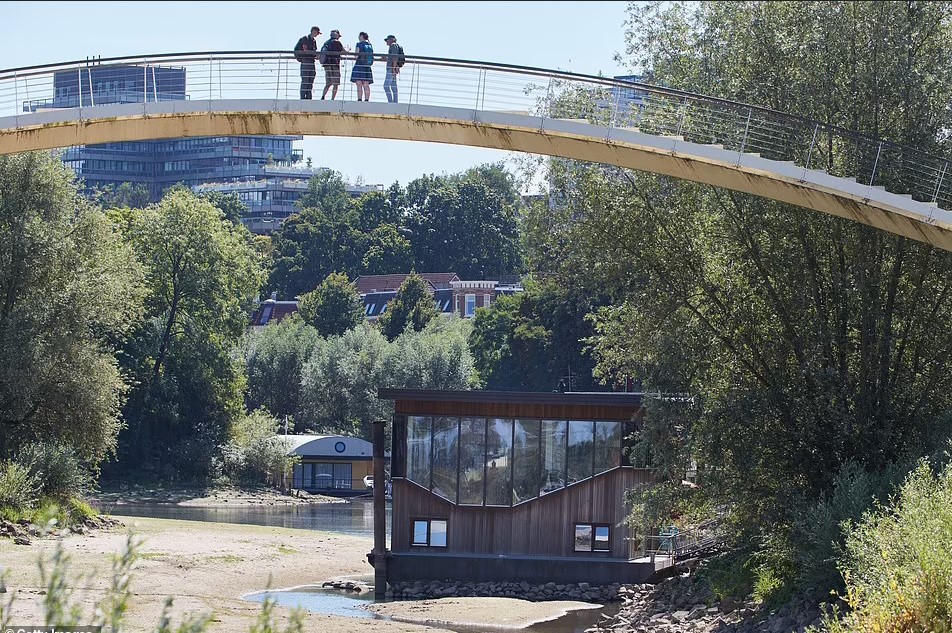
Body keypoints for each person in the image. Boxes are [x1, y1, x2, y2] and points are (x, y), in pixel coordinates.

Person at [294, 26, 321, 99]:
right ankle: (303, 97)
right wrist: (315, 54)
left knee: (310, 80)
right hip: (305, 61)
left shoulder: (313, 41)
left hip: (311, 62)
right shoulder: (305, 39)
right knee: (305, 80)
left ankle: (308, 97)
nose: (317, 34)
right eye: (317, 33)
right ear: (313, 31)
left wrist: (316, 55)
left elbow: (313, 51)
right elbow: (305, 50)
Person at [320, 29, 346, 100]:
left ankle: (323, 96)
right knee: (336, 84)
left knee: (328, 83)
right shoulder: (337, 42)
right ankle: (332, 99)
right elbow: (344, 52)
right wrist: (348, 50)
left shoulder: (326, 43)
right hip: (334, 65)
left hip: (326, 65)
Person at [350, 32, 374, 101]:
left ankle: (359, 99)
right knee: (366, 84)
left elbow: (356, 56)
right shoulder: (369, 45)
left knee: (359, 83)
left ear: (361, 36)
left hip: (359, 65)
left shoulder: (359, 44)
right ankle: (367, 99)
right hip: (367, 66)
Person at [383, 35, 401, 103]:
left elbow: (395, 57)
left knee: (386, 86)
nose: (386, 42)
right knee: (393, 86)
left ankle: (390, 102)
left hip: (391, 68)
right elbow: (394, 57)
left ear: (391, 39)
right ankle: (395, 102)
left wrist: (393, 68)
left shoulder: (393, 45)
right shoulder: (395, 46)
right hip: (392, 67)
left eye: (387, 40)